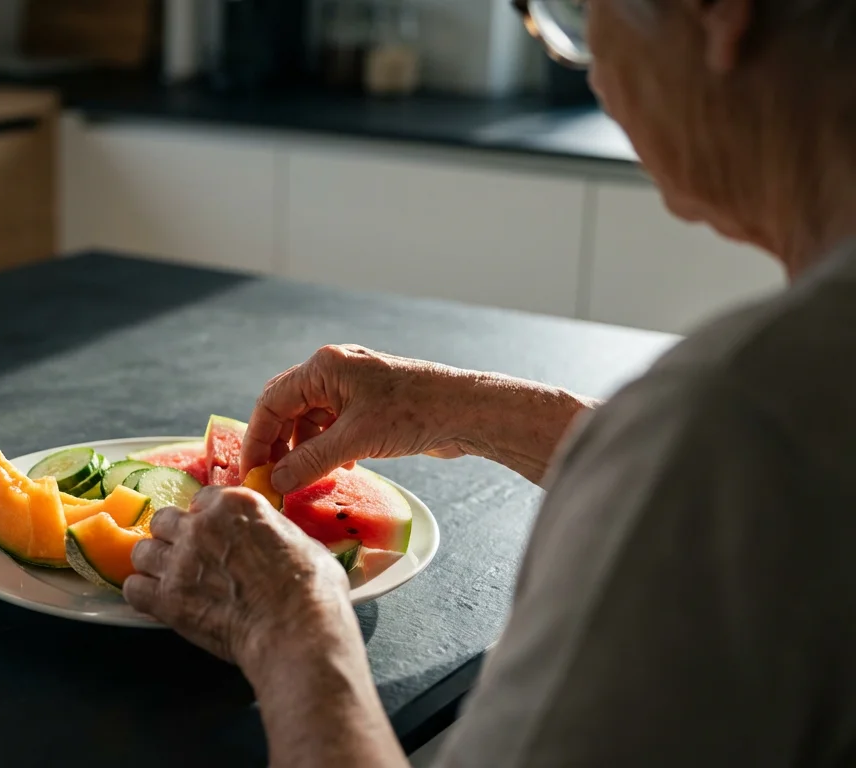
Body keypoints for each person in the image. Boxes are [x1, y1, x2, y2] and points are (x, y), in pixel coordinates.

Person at [123, 0, 856, 765]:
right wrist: (462, 409)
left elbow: (717, 461)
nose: (592, 68)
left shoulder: (733, 416)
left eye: (575, 12)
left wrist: (286, 625)